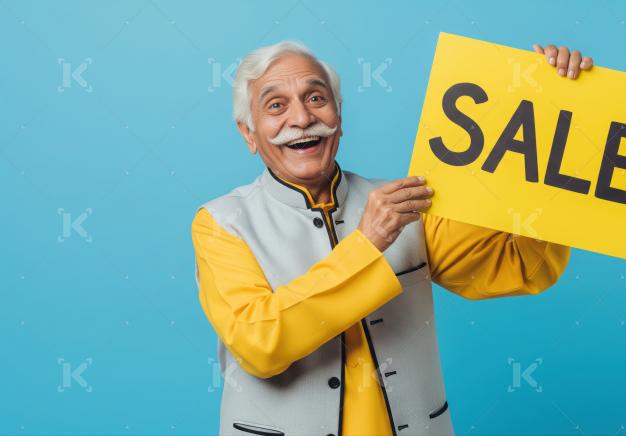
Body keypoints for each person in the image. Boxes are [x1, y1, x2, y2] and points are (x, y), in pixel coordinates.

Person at [191, 41, 592, 436]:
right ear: (248, 133)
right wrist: (367, 244)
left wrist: (553, 103)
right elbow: (260, 343)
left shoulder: (405, 202)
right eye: (275, 105)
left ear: (339, 115)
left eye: (316, 97)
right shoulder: (221, 223)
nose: (301, 117)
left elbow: (519, 267)